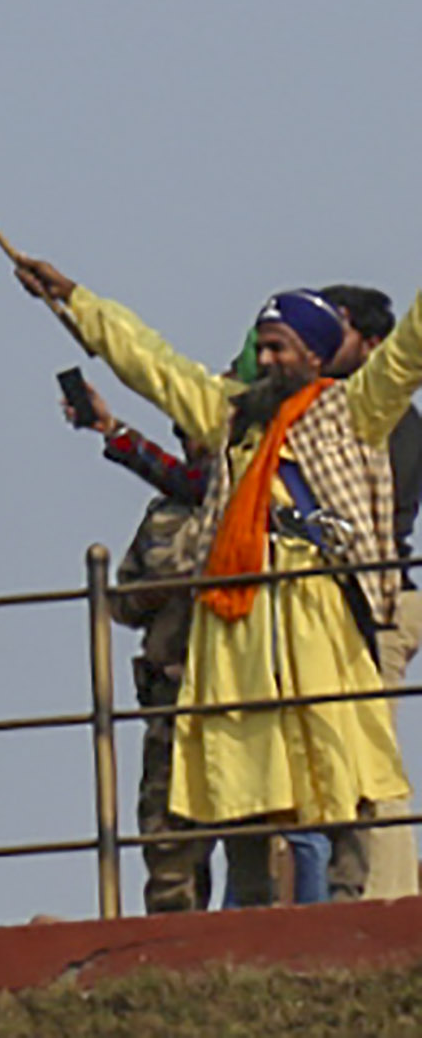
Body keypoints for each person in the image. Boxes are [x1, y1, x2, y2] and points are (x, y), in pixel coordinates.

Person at [23, 257, 422, 907]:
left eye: (279, 348)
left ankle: (333, 914)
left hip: (317, 619)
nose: (264, 360)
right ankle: (255, 919)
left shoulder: (356, 410)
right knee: (242, 774)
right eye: (260, 347)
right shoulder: (231, 416)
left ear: (316, 355)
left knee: (331, 766)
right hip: (234, 627)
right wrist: (78, 301)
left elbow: (409, 351)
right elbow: (152, 363)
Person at [66, 359, 220, 913]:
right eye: (184, 433)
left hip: (234, 694)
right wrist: (150, 594)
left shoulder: (250, 502)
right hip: (168, 693)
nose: (192, 443)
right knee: (167, 841)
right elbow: (125, 595)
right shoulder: (164, 510)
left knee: (260, 837)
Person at [324, 283, 422, 901]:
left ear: (373, 344)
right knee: (349, 751)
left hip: (379, 600)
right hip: (358, 600)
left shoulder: (387, 421)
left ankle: (387, 896)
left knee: (370, 754)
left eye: (335, 327)